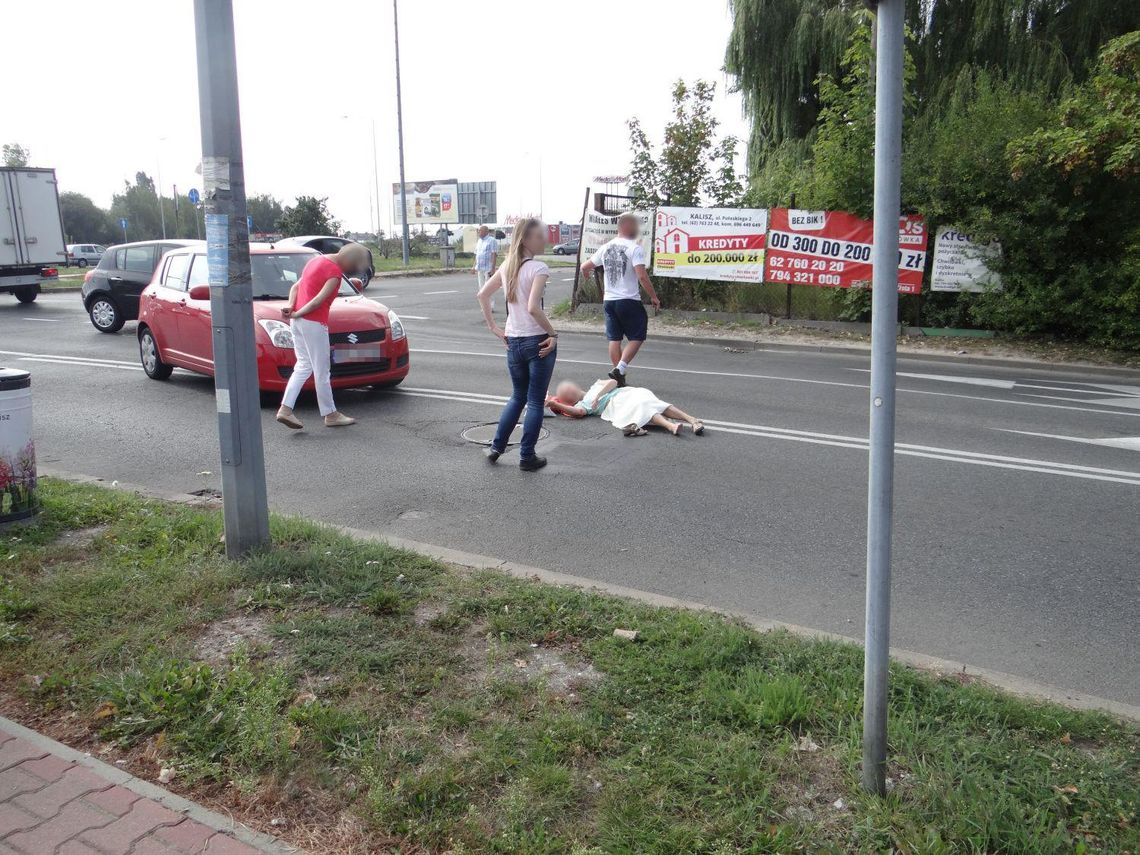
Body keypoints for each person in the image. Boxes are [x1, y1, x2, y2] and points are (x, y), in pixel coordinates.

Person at [476, 218, 558, 471]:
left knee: (517, 397)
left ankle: (496, 448)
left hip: (513, 341)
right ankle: (526, 456)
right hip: (537, 340)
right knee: (534, 401)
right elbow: (533, 307)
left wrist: (493, 327)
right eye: (539, 236)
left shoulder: (507, 266)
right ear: (526, 240)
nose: (544, 239)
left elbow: (482, 294)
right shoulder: (538, 268)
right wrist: (553, 333)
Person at [275, 243, 370, 430]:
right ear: (349, 263)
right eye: (354, 267)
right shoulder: (335, 274)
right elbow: (318, 301)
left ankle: (285, 409)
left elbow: (296, 287)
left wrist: (292, 307)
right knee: (322, 371)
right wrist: (297, 312)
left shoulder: (316, 260)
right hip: (314, 324)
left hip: (299, 323)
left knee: (303, 366)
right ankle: (330, 414)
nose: (352, 271)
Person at [579, 212, 661, 387]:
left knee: (614, 339)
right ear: (627, 227)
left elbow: (585, 266)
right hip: (628, 299)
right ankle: (620, 368)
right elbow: (642, 276)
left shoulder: (606, 247)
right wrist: (653, 296)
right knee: (637, 336)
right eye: (635, 226)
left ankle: (618, 377)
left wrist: (587, 274)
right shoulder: (634, 248)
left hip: (609, 301)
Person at [548, 378, 704, 437]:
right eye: (566, 393)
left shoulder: (595, 385)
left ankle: (692, 420)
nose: (570, 392)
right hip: (615, 406)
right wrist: (555, 404)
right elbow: (578, 412)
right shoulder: (582, 405)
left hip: (623, 393)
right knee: (642, 407)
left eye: (569, 389)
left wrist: (597, 395)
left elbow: (613, 382)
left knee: (649, 401)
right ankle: (671, 426)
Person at [471, 225, 499, 309]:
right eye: (478, 231)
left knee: (488, 288)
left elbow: (494, 254)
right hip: (480, 268)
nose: (478, 232)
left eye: (480, 231)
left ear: (486, 231)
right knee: (481, 288)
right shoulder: (479, 241)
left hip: (488, 268)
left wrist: (493, 268)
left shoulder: (492, 240)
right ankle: (484, 306)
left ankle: (491, 307)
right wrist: (473, 267)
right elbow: (477, 255)